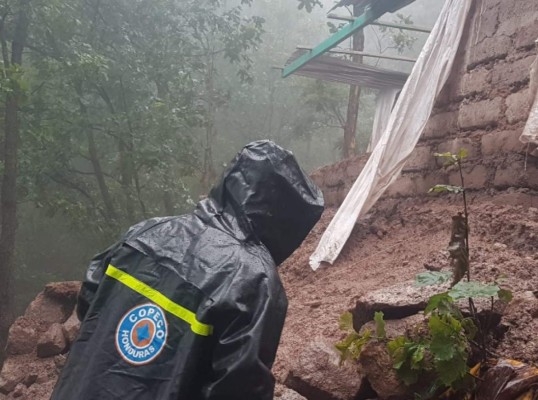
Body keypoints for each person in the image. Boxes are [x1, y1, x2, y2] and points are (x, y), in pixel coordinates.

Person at [51, 140, 324, 400]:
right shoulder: (255, 279)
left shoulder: (146, 232)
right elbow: (240, 387)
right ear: (286, 218)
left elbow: (89, 302)